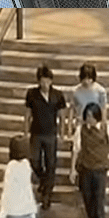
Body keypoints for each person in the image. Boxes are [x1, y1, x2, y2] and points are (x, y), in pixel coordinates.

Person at [24, 65, 66, 210]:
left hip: (51, 133)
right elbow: (28, 114)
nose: (45, 84)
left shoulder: (58, 95)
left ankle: (47, 195)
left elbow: (62, 116)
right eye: (42, 81)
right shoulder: (32, 94)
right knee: (34, 160)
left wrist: (62, 133)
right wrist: (25, 132)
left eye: (47, 81)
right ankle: (43, 180)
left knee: (51, 163)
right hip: (36, 132)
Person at [71, 63, 108, 129]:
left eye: (89, 79)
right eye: (84, 78)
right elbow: (72, 108)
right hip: (81, 124)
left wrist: (103, 122)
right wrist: (69, 126)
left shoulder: (100, 91)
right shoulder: (76, 91)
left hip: (95, 124)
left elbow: (103, 107)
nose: (86, 81)